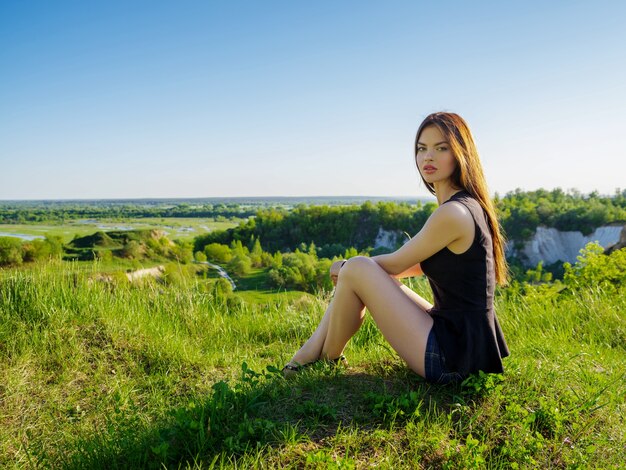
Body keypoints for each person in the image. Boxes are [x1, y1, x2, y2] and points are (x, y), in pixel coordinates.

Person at [282, 112, 510, 384]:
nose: (428, 157)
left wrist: (344, 268)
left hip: (452, 357)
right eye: (421, 148)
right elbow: (410, 266)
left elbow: (395, 264)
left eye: (441, 148)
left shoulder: (453, 214)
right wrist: (353, 274)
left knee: (356, 268)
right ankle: (325, 358)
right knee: (357, 271)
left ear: (461, 153)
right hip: (461, 343)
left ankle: (308, 358)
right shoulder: (465, 206)